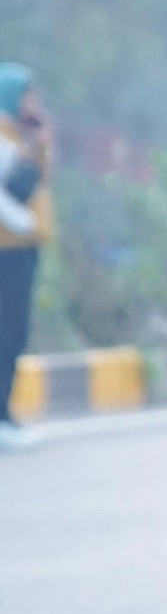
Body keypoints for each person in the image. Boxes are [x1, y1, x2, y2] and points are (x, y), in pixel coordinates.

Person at [0, 61, 54, 451]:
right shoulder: (3, 139)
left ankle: (5, 413)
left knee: (14, 333)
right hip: (8, 250)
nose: (34, 103)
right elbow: (16, 190)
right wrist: (23, 224)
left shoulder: (18, 136)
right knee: (7, 333)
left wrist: (38, 143)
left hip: (21, 249)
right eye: (28, 95)